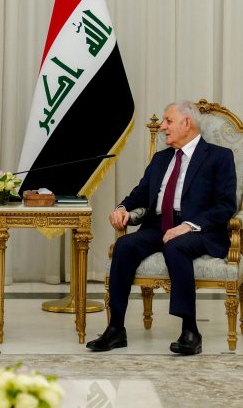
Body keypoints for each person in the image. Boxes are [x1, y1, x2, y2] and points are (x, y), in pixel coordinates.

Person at [86, 101, 237, 355]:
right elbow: (141, 193)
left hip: (199, 229)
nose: (163, 127)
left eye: (168, 121)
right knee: (124, 245)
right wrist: (122, 208)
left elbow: (225, 205)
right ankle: (115, 328)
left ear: (186, 123)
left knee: (176, 246)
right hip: (159, 224)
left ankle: (190, 331)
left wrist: (188, 226)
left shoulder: (219, 156)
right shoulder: (161, 159)